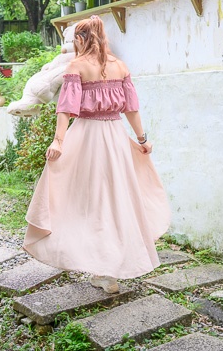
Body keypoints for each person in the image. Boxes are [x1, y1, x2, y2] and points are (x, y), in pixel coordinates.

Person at [23, 17, 170, 293]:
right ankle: (108, 268)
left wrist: (58, 141)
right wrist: (142, 140)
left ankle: (98, 264)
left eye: (74, 40)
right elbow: (131, 109)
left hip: (87, 136)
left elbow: (66, 108)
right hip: (114, 136)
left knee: (81, 200)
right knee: (115, 200)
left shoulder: (77, 66)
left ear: (80, 39)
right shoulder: (120, 66)